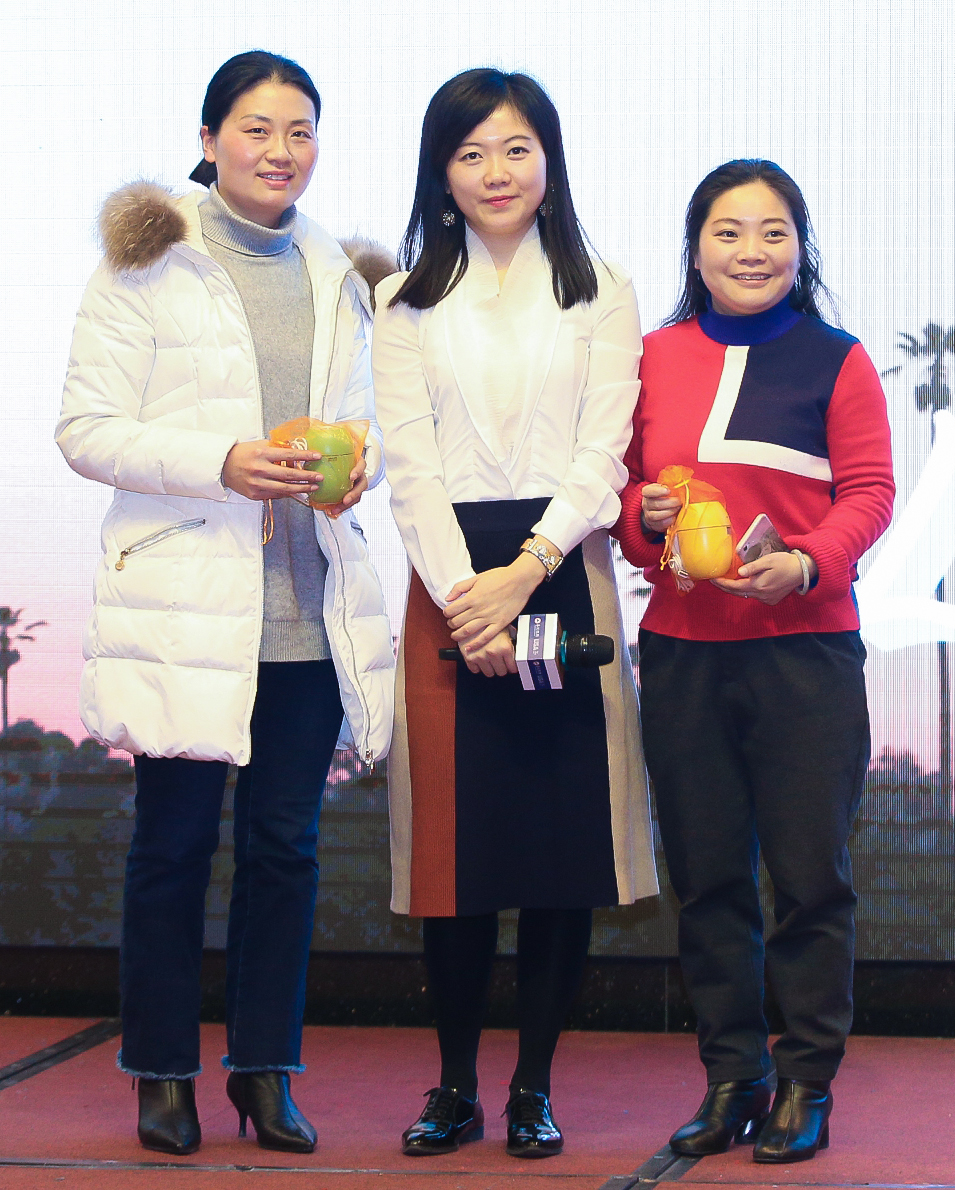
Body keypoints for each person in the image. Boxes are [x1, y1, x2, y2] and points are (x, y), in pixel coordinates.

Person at [54, 50, 395, 1158]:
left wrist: (361, 464)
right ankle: (161, 1072)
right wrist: (222, 462)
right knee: (173, 844)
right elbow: (85, 431)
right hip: (190, 609)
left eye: (300, 131)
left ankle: (264, 1070)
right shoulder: (149, 262)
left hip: (306, 602)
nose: (280, 151)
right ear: (209, 140)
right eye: (256, 128)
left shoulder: (340, 274)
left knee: (285, 850)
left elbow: (370, 424)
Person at [373, 69, 657, 1159]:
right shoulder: (403, 300)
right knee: (456, 864)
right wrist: (468, 600)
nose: (496, 172)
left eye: (516, 148)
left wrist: (525, 570)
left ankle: (533, 1087)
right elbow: (408, 464)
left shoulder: (602, 288)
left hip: (561, 566)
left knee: (556, 855)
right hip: (446, 581)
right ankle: (454, 1087)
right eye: (471, 153)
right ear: (441, 173)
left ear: (550, 160)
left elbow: (604, 452)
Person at [613, 160, 895, 1166]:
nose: (750, 251)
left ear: (799, 248)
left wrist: (808, 562)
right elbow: (623, 502)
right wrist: (644, 518)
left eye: (772, 232)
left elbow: (870, 492)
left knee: (810, 878)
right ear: (695, 249)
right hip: (684, 652)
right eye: (728, 232)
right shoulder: (650, 357)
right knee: (706, 879)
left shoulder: (838, 360)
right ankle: (733, 1077)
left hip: (805, 652)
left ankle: (806, 1081)